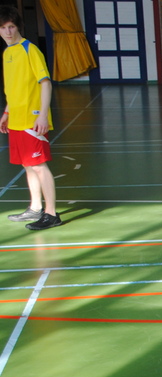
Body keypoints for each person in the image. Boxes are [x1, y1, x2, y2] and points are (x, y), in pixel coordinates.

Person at [0, 7, 59, 231]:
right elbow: (14, 89)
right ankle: (35, 207)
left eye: (11, 26)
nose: (8, 31)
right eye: (3, 27)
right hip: (16, 119)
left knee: (39, 166)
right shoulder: (7, 53)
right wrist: (7, 113)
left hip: (32, 119)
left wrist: (42, 115)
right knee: (27, 165)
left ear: (18, 27)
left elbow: (45, 83)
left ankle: (51, 214)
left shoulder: (30, 50)